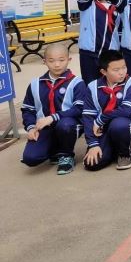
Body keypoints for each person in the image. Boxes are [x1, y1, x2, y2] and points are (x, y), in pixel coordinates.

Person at [20, 45, 85, 175]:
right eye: (51, 61)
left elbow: (79, 109)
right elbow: (28, 109)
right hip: (45, 127)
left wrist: (53, 117)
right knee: (30, 158)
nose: (57, 64)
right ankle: (54, 150)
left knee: (65, 125)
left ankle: (66, 155)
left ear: (69, 60)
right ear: (44, 62)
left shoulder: (77, 82)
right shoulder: (35, 84)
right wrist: (31, 127)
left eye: (61, 60)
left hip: (69, 124)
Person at [82, 50, 131, 171]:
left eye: (124, 67)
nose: (122, 72)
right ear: (104, 72)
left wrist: (101, 119)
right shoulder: (93, 87)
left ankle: (124, 154)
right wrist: (93, 144)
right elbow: (88, 117)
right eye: (116, 70)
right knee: (92, 164)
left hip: (125, 126)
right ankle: (111, 150)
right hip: (102, 130)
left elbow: (127, 111)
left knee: (118, 124)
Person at [74, 0, 121, 83]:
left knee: (110, 85)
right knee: (90, 85)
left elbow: (120, 32)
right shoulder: (87, 5)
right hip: (89, 55)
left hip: (110, 55)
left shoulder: (116, 8)